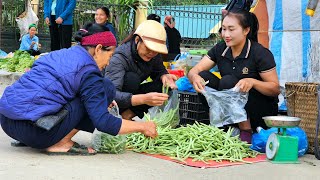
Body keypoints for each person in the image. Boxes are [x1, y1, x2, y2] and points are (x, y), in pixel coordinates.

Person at [0, 23, 158, 155]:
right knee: (106, 87)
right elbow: (103, 122)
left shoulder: (59, 54)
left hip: (7, 122)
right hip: (36, 135)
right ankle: (61, 142)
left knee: (94, 91)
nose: (108, 63)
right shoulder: (89, 72)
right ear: (98, 49)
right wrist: (143, 127)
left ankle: (41, 137)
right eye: (110, 56)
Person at [188, 10, 280, 143]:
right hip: (232, 108)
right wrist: (194, 77)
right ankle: (220, 124)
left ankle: (246, 130)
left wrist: (253, 82)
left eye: (231, 29)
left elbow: (275, 89)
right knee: (203, 77)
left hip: (259, 111)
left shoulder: (260, 53)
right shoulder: (221, 49)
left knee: (228, 81)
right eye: (224, 29)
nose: (226, 34)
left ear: (246, 30)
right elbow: (194, 71)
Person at [105, 20, 177, 120]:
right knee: (132, 79)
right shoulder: (119, 58)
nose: (151, 53)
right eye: (148, 48)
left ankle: (128, 114)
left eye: (155, 50)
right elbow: (111, 94)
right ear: (137, 40)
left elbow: (159, 70)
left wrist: (164, 76)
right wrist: (144, 99)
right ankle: (116, 115)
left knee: (163, 85)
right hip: (113, 99)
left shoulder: (154, 55)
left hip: (132, 95)